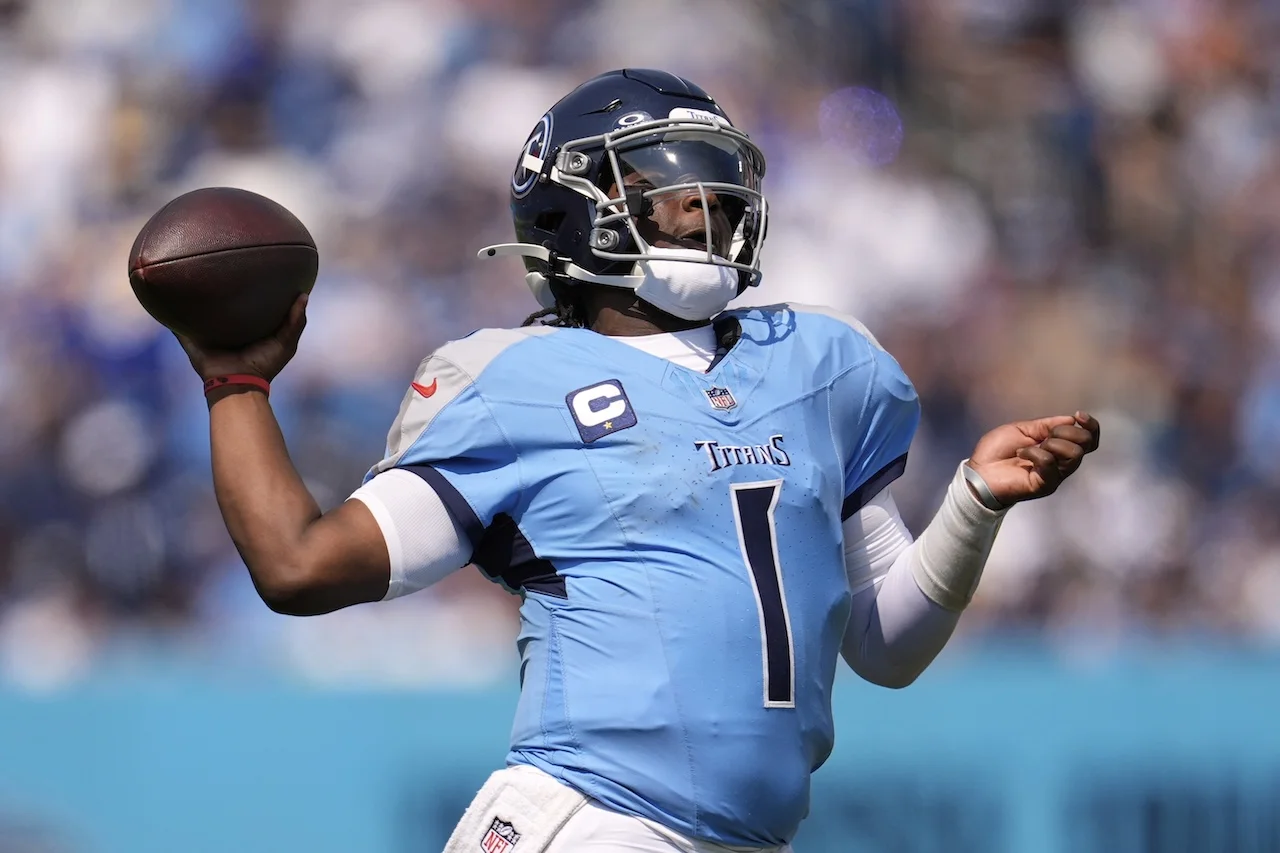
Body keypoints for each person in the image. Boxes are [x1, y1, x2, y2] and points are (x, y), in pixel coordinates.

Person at [178, 69, 1100, 853]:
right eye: (668, 187)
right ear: (573, 210)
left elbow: (885, 648)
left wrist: (975, 502)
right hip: (590, 818)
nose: (703, 206)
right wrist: (235, 383)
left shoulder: (823, 364)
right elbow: (300, 565)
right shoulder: (514, 379)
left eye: (714, 185)